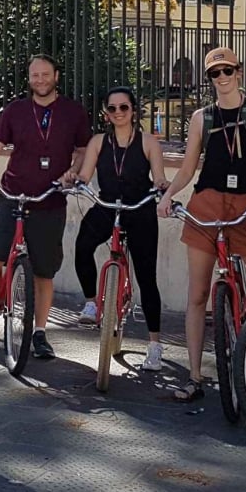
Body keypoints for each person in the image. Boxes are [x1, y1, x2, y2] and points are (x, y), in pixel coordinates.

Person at [157, 46, 246, 402]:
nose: (222, 77)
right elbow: (187, 168)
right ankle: (195, 376)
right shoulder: (202, 117)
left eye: (228, 70)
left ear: (239, 71)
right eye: (215, 73)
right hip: (208, 202)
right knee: (197, 295)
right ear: (210, 78)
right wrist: (169, 195)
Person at [0, 55, 91, 360]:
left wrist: (73, 171)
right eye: (35, 75)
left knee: (44, 272)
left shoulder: (73, 112)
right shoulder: (16, 110)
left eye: (45, 74)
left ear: (56, 76)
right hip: (12, 194)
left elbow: (84, 150)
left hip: (50, 199)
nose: (40, 80)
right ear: (30, 78)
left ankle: (39, 333)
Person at [69, 87, 169, 371]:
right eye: (112, 109)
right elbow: (86, 174)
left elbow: (159, 176)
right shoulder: (99, 142)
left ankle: (154, 344)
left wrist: (163, 188)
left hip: (139, 210)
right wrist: (75, 180)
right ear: (106, 113)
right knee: (83, 246)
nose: (118, 113)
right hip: (107, 206)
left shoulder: (148, 142)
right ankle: (91, 302)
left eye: (123, 108)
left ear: (133, 110)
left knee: (147, 277)